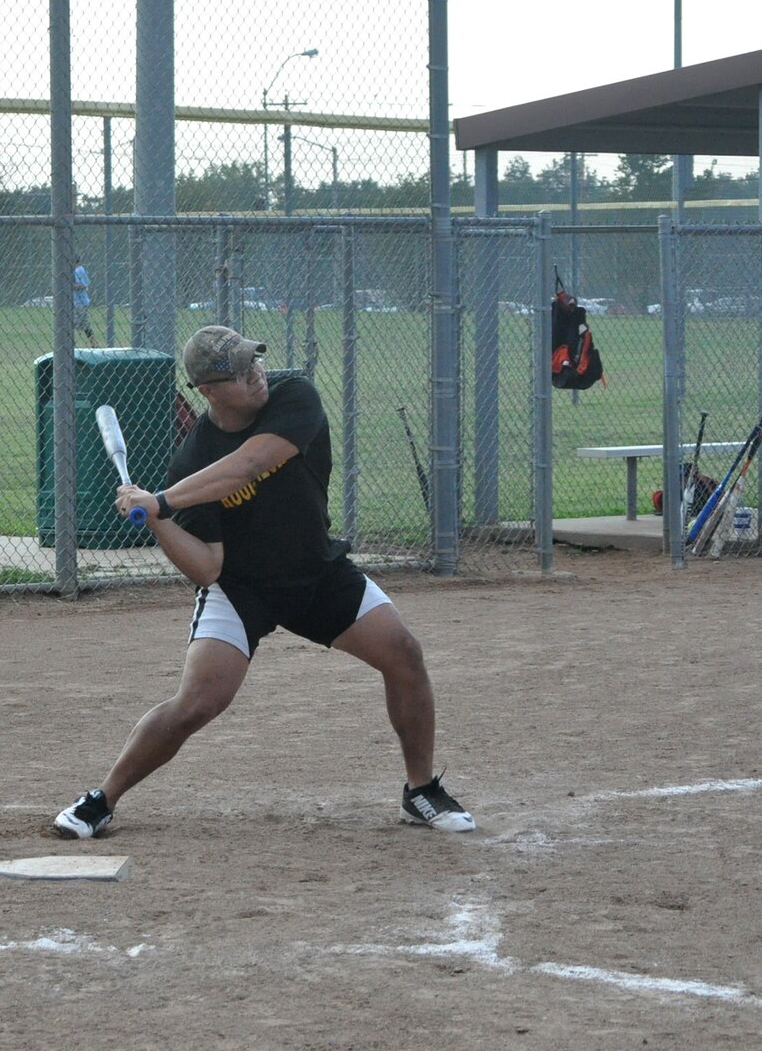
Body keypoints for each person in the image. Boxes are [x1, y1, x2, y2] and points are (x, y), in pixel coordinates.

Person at [53, 324, 475, 840]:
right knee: (196, 704)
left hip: (316, 572)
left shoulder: (293, 396)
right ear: (207, 391)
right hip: (241, 590)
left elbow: (250, 463)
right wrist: (159, 521)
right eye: (239, 372)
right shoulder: (194, 460)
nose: (256, 373)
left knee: (403, 652)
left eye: (255, 360)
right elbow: (206, 567)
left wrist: (161, 500)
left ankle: (420, 791)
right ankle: (103, 799)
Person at [72, 258, 96, 343]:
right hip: (76, 302)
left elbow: (83, 285)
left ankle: (93, 343)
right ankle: (93, 343)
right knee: (83, 324)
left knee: (81, 324)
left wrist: (68, 285)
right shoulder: (76, 270)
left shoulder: (79, 270)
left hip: (79, 302)